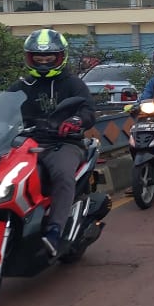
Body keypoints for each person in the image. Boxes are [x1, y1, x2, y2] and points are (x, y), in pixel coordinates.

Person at [8, 29, 95, 256]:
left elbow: (88, 110)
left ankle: (55, 229)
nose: (44, 62)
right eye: (38, 58)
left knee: (63, 175)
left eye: (49, 58)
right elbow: (1, 108)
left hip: (62, 143)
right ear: (29, 58)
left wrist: (76, 120)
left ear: (60, 57)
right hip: (24, 144)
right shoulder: (20, 86)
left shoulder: (72, 84)